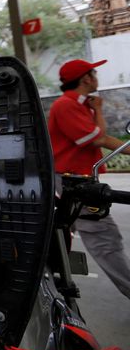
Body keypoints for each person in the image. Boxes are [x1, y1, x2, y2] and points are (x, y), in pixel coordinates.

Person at [48, 58, 130, 301]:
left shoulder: (80, 105)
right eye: (94, 73)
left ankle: (52, 288)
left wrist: (97, 110)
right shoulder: (65, 105)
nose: (96, 77)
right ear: (85, 78)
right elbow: (97, 139)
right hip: (73, 183)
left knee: (58, 239)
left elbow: (99, 136)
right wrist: (100, 110)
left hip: (76, 181)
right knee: (105, 241)